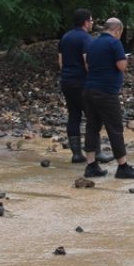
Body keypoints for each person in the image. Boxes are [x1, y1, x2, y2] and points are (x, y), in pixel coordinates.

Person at [82, 17, 134, 179]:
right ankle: (122, 166)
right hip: (107, 91)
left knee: (92, 126)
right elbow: (121, 66)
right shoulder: (114, 43)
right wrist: (125, 58)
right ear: (118, 30)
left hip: (89, 89)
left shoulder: (92, 43)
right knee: (115, 128)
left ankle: (91, 165)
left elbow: (87, 65)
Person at [56, 9, 93, 164]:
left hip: (66, 81)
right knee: (92, 117)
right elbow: (87, 61)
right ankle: (94, 153)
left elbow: (60, 62)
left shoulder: (65, 37)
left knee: (74, 116)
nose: (92, 23)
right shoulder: (86, 38)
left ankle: (76, 154)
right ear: (85, 22)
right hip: (82, 82)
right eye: (91, 20)